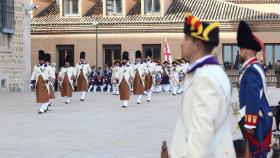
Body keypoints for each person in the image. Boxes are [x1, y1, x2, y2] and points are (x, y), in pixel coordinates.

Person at [170, 13, 235, 158]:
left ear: (198, 44)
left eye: (186, 39)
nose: (181, 43)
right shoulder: (212, 72)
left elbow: (202, 130)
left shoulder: (205, 77)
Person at [237, 21, 273, 158]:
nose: (239, 52)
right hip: (257, 117)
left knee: (257, 153)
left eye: (241, 49)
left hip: (257, 120)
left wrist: (250, 124)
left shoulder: (251, 70)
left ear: (249, 50)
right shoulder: (251, 68)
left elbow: (253, 97)